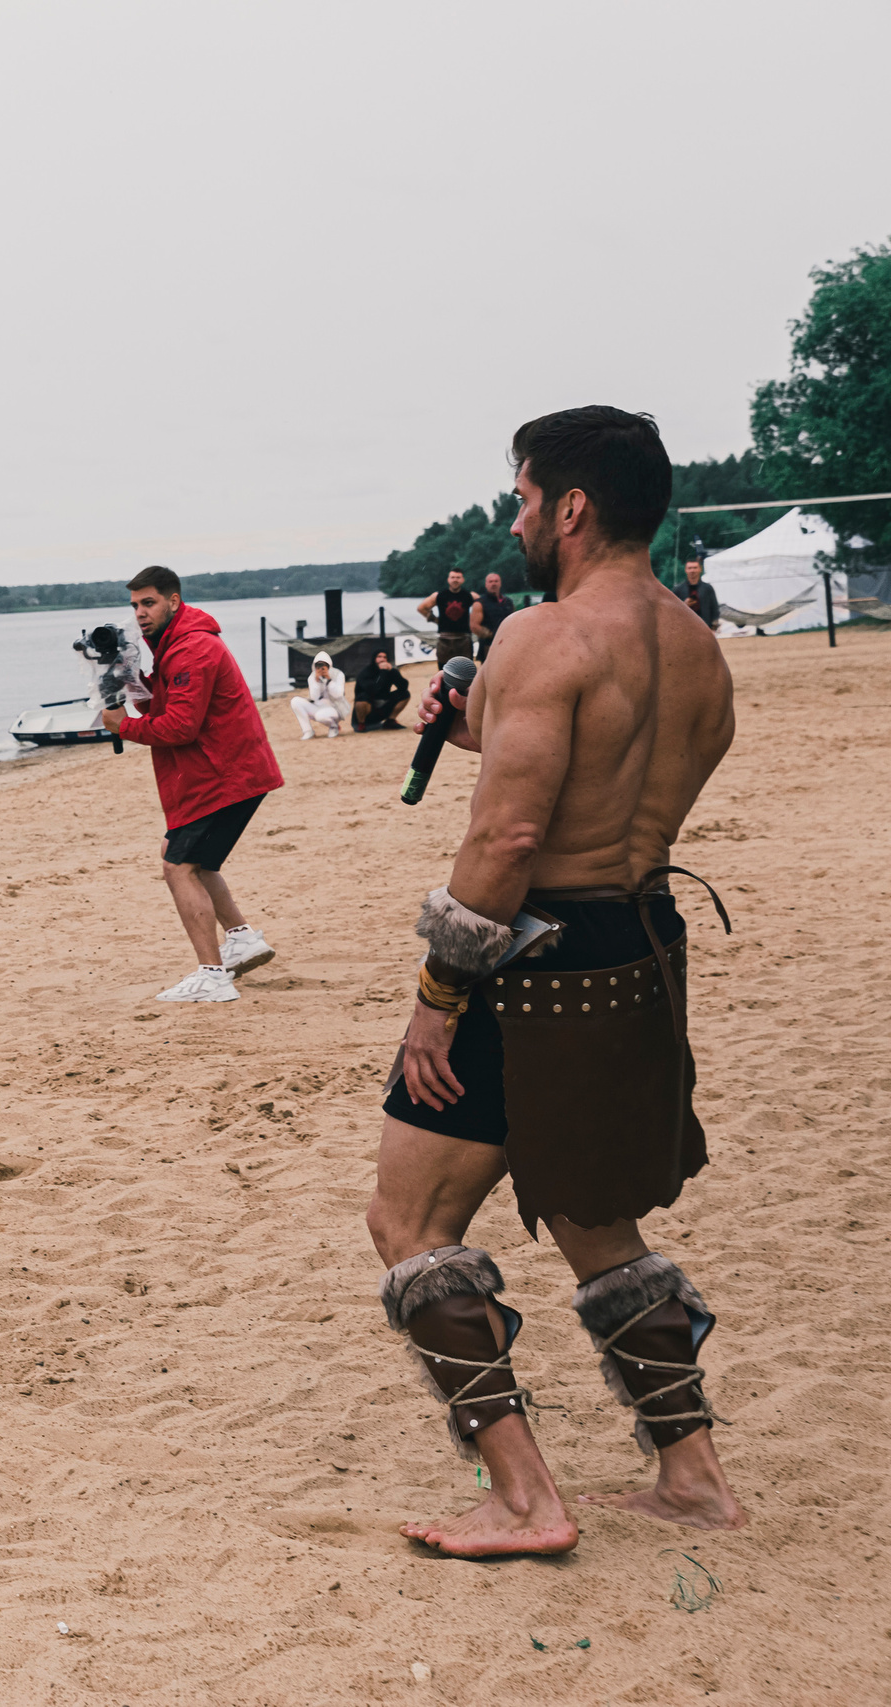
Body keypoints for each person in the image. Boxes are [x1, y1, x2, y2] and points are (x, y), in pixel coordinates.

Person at [366, 405, 745, 1557]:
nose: (518, 517)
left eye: (524, 498)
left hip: (531, 965)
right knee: (592, 1219)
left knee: (410, 1219)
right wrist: (486, 729)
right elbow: (612, 773)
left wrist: (438, 997)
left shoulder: (544, 636)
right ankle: (692, 1479)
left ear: (571, 508)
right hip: (638, 946)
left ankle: (525, 1502)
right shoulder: (694, 645)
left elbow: (510, 841)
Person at [101, 566, 284, 1003]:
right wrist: (127, 678)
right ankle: (242, 939)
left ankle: (212, 976)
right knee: (185, 857)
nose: (140, 613)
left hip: (225, 776)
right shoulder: (172, 645)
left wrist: (124, 726)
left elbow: (181, 727)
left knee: (178, 867)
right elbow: (161, 702)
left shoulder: (193, 648)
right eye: (134, 606)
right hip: (226, 773)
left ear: (174, 600)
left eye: (149, 603)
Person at [418, 568, 475, 668]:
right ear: (448, 579)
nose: (455, 580)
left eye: (458, 577)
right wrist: (436, 620)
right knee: (444, 669)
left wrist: (474, 621)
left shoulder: (470, 596)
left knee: (465, 670)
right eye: (452, 577)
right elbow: (422, 608)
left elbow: (483, 608)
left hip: (464, 637)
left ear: (463, 580)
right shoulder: (439, 596)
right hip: (445, 638)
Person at [289, 652, 347, 739]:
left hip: (336, 707)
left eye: (324, 665)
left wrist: (329, 680)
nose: (321, 668)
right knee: (295, 701)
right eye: (318, 666)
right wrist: (316, 681)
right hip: (319, 706)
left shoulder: (338, 675)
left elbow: (338, 695)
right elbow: (313, 698)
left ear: (329, 666)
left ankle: (333, 726)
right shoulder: (312, 677)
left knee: (320, 716)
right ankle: (308, 731)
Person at [352, 647, 412, 731]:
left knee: (405, 694)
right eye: (379, 657)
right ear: (374, 658)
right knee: (361, 698)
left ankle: (390, 721)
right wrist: (383, 672)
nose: (382, 659)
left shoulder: (390, 671)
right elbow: (373, 689)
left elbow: (403, 686)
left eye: (385, 657)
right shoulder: (365, 672)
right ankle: (361, 724)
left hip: (383, 705)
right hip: (368, 705)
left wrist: (393, 672)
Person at [471, 571, 514, 661]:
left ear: (500, 583)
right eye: (490, 581)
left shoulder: (508, 602)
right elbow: (474, 626)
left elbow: (514, 622)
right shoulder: (480, 603)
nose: (493, 584)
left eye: (496, 581)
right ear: (486, 584)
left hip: (507, 644)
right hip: (488, 645)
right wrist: (492, 635)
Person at [682, 558, 721, 628]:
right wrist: (683, 605)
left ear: (700, 569)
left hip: (705, 626)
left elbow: (715, 608)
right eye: (690, 568)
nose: (692, 570)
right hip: (685, 627)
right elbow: (672, 611)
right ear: (686, 570)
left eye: (695, 568)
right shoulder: (678, 590)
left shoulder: (708, 588)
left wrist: (714, 627)